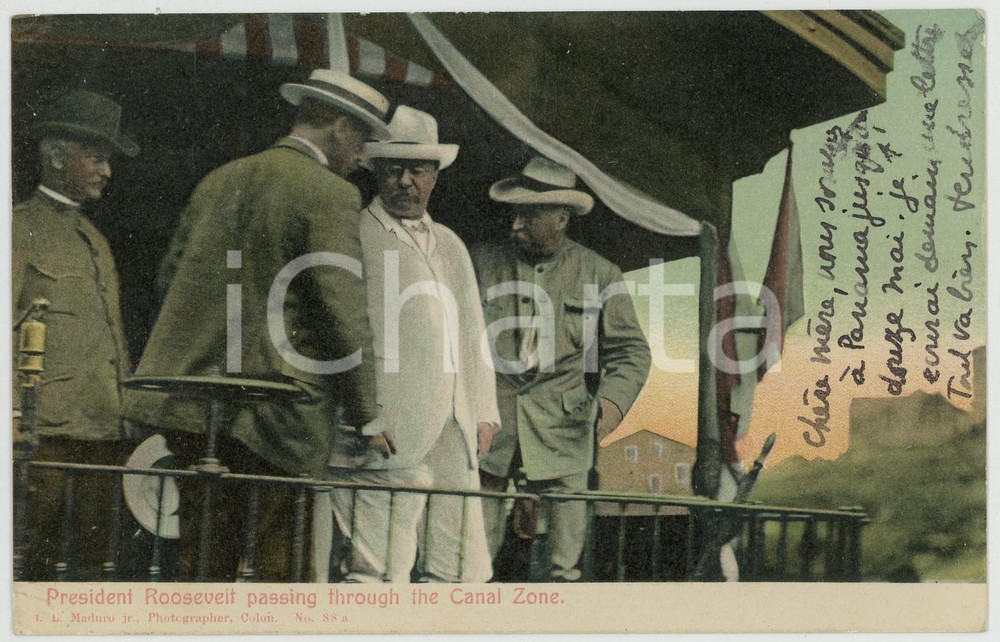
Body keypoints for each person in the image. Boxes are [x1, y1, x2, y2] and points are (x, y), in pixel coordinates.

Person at [122, 70, 392, 581]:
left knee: (203, 565)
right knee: (281, 572)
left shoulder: (220, 179)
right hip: (278, 419)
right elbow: (341, 313)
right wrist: (368, 414)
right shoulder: (330, 193)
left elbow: (169, 279)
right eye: (362, 140)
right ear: (337, 126)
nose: (364, 157)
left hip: (194, 407)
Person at [318, 106, 500, 583]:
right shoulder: (355, 234)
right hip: (386, 428)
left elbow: (472, 333)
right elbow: (337, 332)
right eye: (393, 169)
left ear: (435, 176)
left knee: (460, 572)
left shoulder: (450, 243)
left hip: (451, 428)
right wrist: (362, 416)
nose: (405, 181)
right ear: (376, 171)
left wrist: (484, 411)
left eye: (418, 169)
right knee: (376, 572)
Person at [473, 156, 652, 581]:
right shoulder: (479, 262)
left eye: (529, 214)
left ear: (562, 217)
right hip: (490, 431)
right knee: (471, 563)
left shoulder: (600, 273)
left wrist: (607, 410)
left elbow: (631, 353)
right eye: (514, 212)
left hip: (567, 435)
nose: (515, 224)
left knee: (564, 570)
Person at [12, 89, 139, 580]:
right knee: (27, 559)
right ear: (58, 156)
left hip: (104, 432)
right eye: (98, 157)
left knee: (92, 566)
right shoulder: (18, 228)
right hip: (42, 435)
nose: (107, 171)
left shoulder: (97, 240)